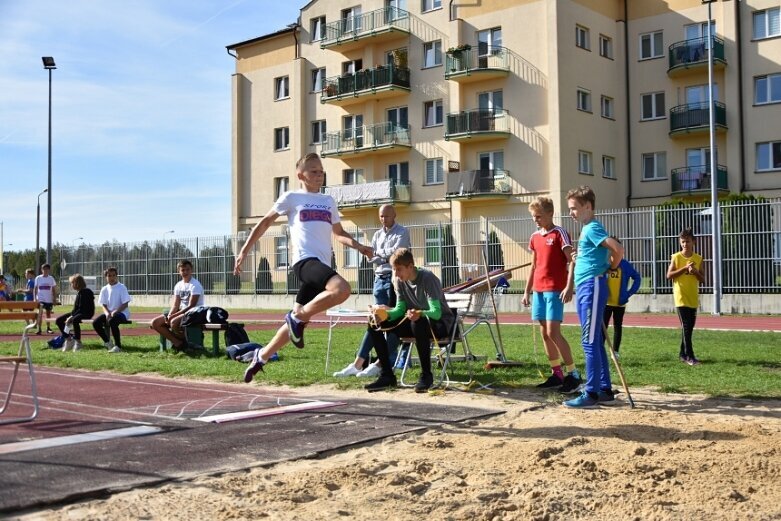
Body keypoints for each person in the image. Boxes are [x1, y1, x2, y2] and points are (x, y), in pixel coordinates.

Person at [235, 152, 372, 383]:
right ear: (301, 175)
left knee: (296, 323)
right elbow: (265, 222)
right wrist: (245, 250)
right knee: (342, 289)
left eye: (321, 171)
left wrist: (359, 246)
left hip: (321, 266)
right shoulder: (291, 197)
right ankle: (297, 318)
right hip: (304, 262)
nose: (319, 175)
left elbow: (338, 234)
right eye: (314, 171)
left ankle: (261, 356)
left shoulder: (328, 201)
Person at [333, 204, 410, 378]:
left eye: (387, 216)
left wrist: (379, 254)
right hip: (379, 278)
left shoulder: (402, 232)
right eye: (381, 216)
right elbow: (375, 256)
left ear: (394, 215)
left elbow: (396, 254)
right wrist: (380, 255)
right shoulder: (377, 234)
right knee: (376, 320)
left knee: (391, 321)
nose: (384, 219)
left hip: (394, 279)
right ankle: (358, 364)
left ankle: (382, 363)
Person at [563, 186, 624, 409]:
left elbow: (618, 249)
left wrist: (611, 266)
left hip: (592, 287)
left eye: (574, 208)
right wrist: (584, 258)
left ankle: (591, 393)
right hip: (588, 286)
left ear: (588, 207)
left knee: (588, 341)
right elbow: (597, 253)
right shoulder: (589, 229)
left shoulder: (592, 228)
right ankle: (604, 389)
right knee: (595, 340)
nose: (571, 213)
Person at [363, 248, 455, 393]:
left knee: (417, 322)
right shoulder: (399, 280)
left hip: (440, 324)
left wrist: (420, 313)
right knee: (374, 323)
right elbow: (400, 310)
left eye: (399, 269)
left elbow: (436, 313)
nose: (396, 274)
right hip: (416, 322)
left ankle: (426, 376)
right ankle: (387, 376)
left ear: (410, 266)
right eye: (394, 269)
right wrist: (383, 315)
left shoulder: (428, 278)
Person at [522, 196, 582, 393]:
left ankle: (573, 374)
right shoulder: (534, 237)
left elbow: (571, 260)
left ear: (550, 213)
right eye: (533, 216)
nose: (535, 219)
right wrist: (527, 291)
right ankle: (556, 373)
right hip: (538, 289)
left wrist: (569, 285)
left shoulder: (560, 233)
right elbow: (533, 265)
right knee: (544, 333)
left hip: (554, 289)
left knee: (552, 332)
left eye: (538, 216)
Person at [666, 228, 705, 366]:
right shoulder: (676, 257)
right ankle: (690, 356)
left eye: (687, 241)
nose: (685, 244)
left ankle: (682, 354)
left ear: (693, 242)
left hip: (693, 297)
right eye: (682, 242)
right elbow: (669, 275)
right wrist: (684, 269)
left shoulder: (698, 258)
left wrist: (694, 271)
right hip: (681, 296)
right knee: (686, 326)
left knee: (690, 327)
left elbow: (702, 279)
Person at [150, 259, 204, 352]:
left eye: (187, 269)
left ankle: (190, 342)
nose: (185, 272)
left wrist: (173, 316)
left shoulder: (195, 285)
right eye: (182, 270)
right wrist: (170, 315)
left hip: (194, 312)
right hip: (181, 311)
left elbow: (191, 306)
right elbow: (175, 304)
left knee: (174, 322)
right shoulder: (178, 285)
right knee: (155, 323)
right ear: (179, 271)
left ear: (192, 270)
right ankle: (178, 343)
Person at [603, 237, 642, 356]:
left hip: (620, 302)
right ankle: (600, 349)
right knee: (602, 327)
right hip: (606, 303)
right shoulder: (605, 264)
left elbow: (637, 278)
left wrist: (629, 293)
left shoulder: (625, 265)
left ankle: (615, 351)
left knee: (617, 327)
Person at [92, 267, 132, 353]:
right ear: (106, 277)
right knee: (95, 323)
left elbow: (125, 304)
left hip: (122, 313)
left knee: (112, 321)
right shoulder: (104, 289)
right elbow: (103, 304)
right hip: (109, 313)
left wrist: (116, 311)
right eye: (109, 276)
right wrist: (107, 313)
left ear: (116, 276)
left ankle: (118, 346)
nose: (112, 278)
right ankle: (108, 342)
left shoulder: (122, 287)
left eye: (114, 275)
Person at [57, 274, 95, 352]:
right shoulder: (79, 292)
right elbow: (75, 309)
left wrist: (71, 317)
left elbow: (82, 308)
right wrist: (70, 315)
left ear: (77, 283)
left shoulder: (86, 292)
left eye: (72, 283)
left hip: (86, 313)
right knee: (59, 320)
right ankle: (69, 339)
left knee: (75, 320)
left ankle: (78, 342)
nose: (71, 285)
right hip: (78, 312)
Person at [34, 263, 58, 335]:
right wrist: (35, 298)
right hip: (40, 299)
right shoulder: (38, 278)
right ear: (41, 270)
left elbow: (54, 289)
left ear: (49, 270)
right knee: (40, 314)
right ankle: (39, 329)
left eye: (47, 269)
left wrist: (54, 298)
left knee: (48, 314)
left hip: (49, 299)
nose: (45, 270)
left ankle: (48, 328)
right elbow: (35, 289)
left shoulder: (51, 278)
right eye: (44, 269)